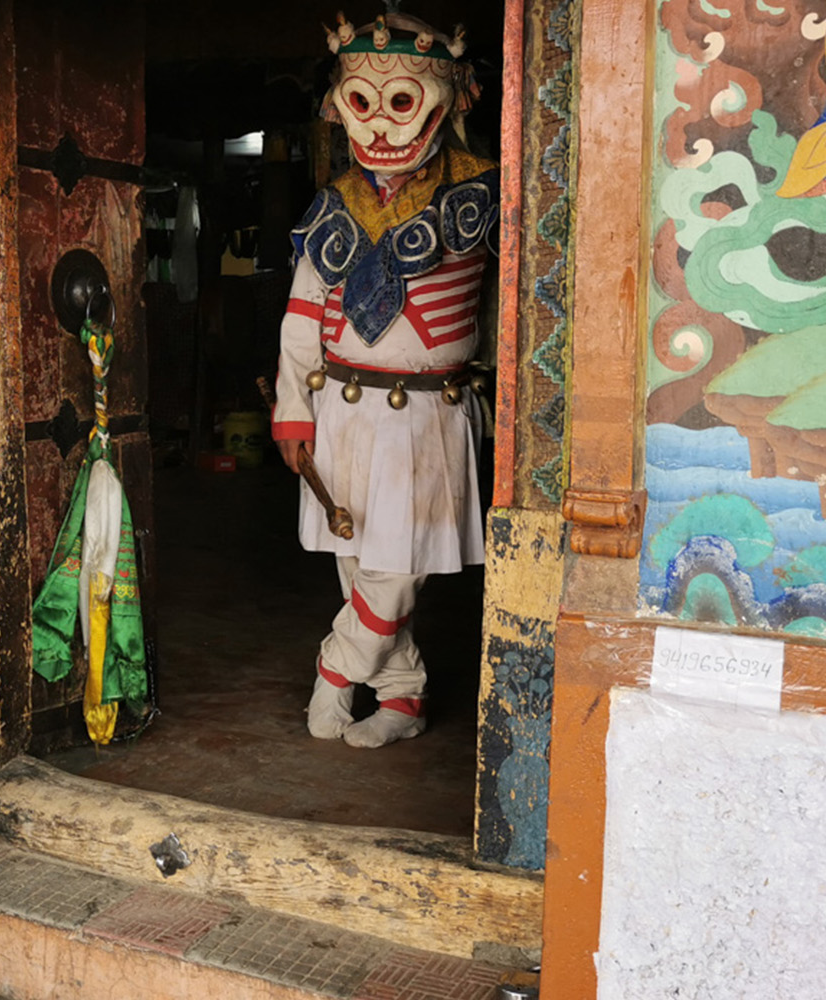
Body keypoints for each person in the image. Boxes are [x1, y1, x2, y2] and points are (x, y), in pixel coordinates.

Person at [272, 9, 495, 749]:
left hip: (428, 413)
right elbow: (303, 317)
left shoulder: (487, 195)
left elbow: (512, 306)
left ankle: (334, 671)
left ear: (450, 95)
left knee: (395, 568)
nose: (381, 125)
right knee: (361, 561)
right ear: (338, 105)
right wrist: (291, 413)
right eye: (363, 103)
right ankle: (403, 698)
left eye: (402, 102)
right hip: (339, 406)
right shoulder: (334, 201)